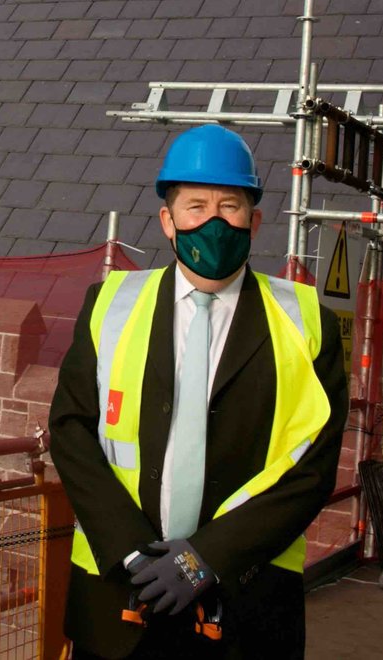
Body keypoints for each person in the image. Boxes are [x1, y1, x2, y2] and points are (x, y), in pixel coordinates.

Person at [49, 124, 347, 659]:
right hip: (119, 601)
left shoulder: (308, 325)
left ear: (254, 221)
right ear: (168, 220)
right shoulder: (109, 305)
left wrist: (203, 558)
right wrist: (130, 553)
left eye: (229, 205)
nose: (213, 221)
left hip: (246, 609)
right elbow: (71, 430)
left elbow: (312, 469)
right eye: (195, 206)